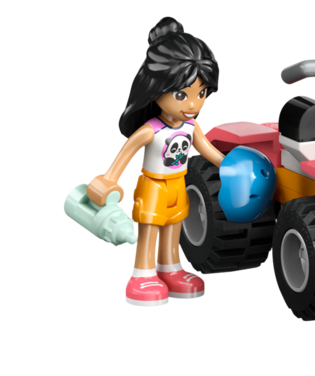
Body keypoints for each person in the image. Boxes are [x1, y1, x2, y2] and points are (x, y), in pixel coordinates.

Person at [79, 15, 227, 307]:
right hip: (153, 186)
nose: (193, 104)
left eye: (202, 93)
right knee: (149, 232)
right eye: (182, 94)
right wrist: (108, 181)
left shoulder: (192, 127)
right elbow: (126, 153)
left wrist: (229, 165)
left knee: (173, 230)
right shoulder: (150, 130)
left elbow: (208, 152)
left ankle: (171, 270)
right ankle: (141, 275)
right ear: (155, 88)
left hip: (178, 185)